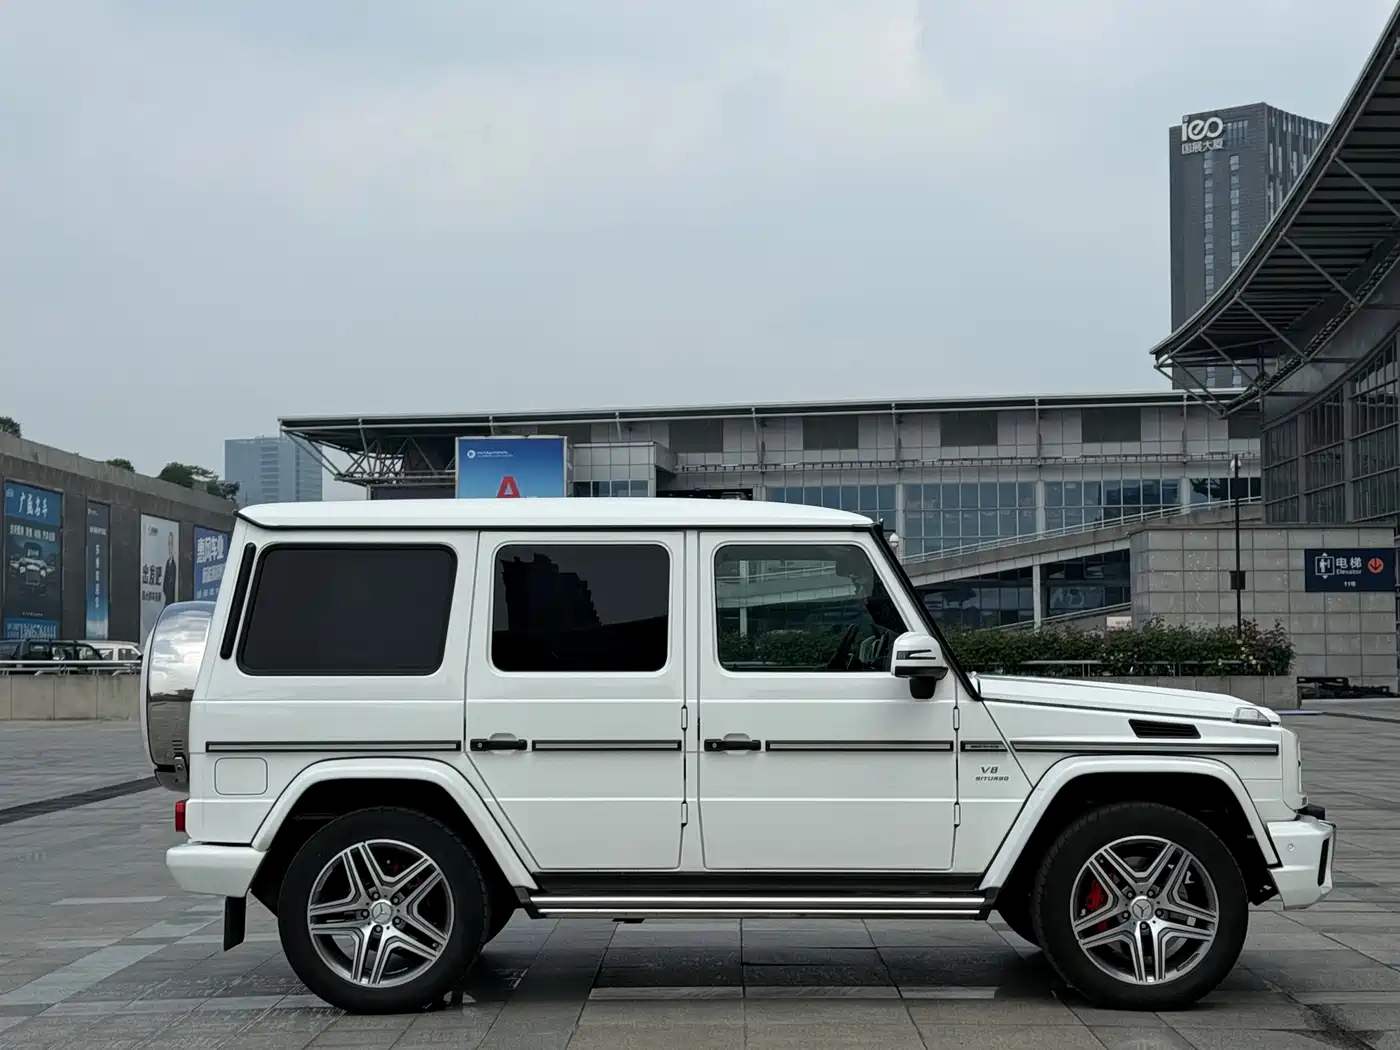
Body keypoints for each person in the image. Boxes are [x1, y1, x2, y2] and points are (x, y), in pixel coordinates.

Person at [162, 531, 177, 609]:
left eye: (171, 544)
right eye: (168, 544)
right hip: (167, 600)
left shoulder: (174, 565)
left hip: (171, 602)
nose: (170, 547)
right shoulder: (167, 563)